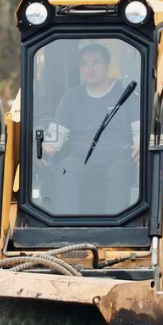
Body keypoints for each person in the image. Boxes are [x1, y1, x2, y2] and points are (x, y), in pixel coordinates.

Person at [40, 44, 139, 214]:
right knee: (65, 168)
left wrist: (140, 146)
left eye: (95, 62)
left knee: (120, 171)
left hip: (117, 160)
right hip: (81, 161)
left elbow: (139, 133)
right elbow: (56, 136)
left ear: (107, 64)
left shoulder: (126, 95)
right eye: (84, 64)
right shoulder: (71, 97)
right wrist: (43, 151)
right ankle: (66, 229)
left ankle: (114, 229)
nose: (89, 68)